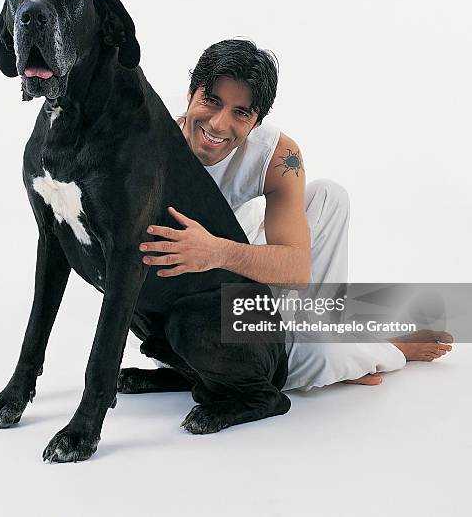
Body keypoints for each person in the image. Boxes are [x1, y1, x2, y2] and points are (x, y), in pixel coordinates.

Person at [137, 39, 452, 392]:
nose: (219, 124)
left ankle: (324, 331)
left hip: (235, 272)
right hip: (189, 319)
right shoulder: (148, 138)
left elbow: (297, 270)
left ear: (256, 122)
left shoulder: (278, 154)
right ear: (191, 93)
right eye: (211, 101)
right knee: (319, 358)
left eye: (241, 112)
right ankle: (383, 350)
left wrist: (214, 252)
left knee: (329, 196)